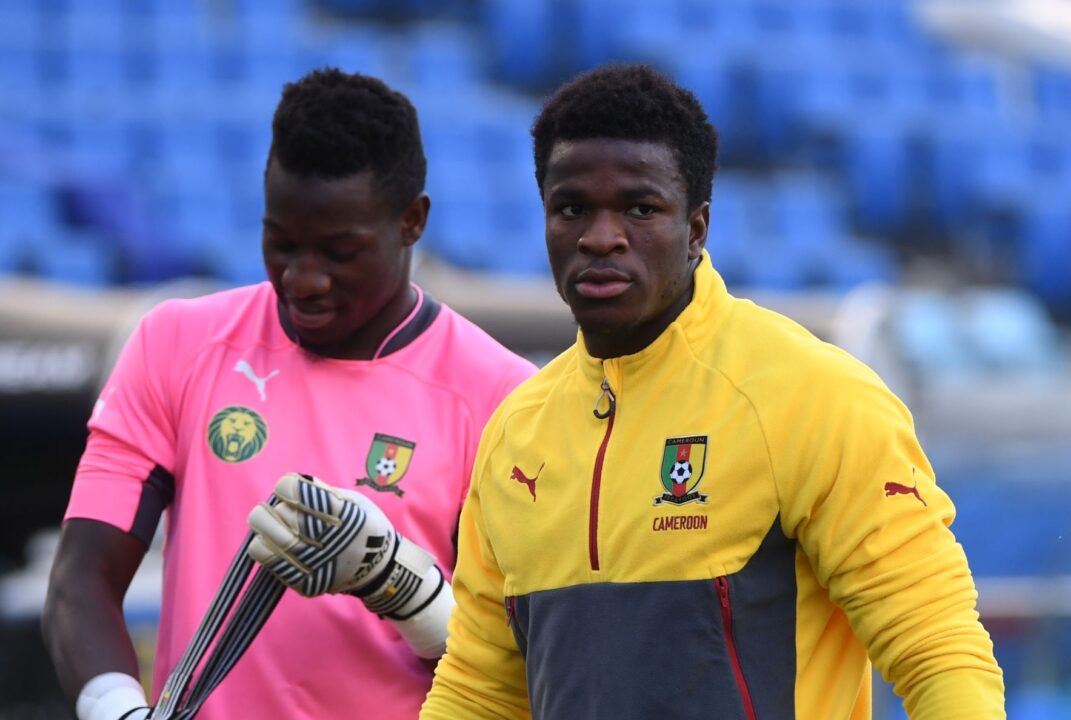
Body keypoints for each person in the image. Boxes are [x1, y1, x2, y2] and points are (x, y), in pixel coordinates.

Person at [420, 64, 1005, 719]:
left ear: (696, 229)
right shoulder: (516, 433)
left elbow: (938, 653)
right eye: (571, 208)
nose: (600, 237)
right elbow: (478, 691)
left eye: (639, 208)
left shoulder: (812, 396)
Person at [42, 68, 536, 720]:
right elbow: (81, 583)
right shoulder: (176, 345)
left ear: (412, 221)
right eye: (281, 244)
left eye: (339, 252)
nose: (303, 279)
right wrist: (117, 711)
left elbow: (523, 667)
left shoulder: (501, 395)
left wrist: (402, 587)